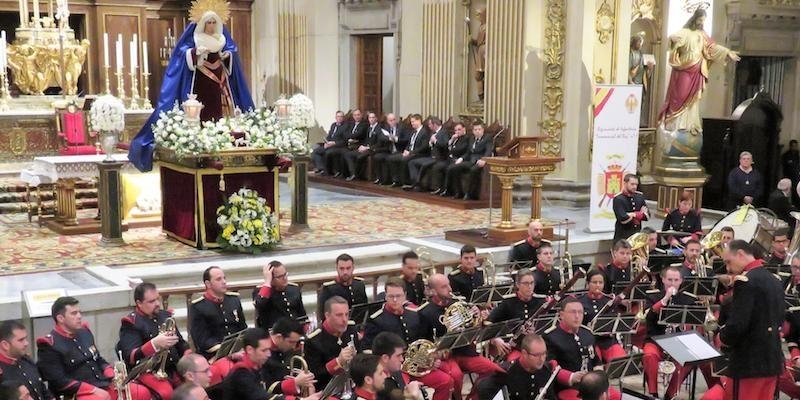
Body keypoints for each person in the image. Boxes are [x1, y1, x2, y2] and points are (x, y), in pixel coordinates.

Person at [127, 5, 253, 172]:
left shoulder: (222, 38)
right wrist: (196, 53)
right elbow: (182, 54)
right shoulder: (195, 37)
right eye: (208, 22)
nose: (212, 26)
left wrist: (227, 55)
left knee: (222, 110)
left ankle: (223, 138)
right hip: (200, 83)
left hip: (219, 83)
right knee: (201, 110)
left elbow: (232, 52)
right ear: (202, 23)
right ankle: (200, 140)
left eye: (214, 22)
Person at [37, 297, 150, 400]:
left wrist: (112, 374)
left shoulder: (84, 332)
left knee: (140, 392)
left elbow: (97, 359)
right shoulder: (49, 345)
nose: (79, 316)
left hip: (101, 383)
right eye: (74, 313)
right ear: (60, 318)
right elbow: (59, 382)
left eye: (79, 312)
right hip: (76, 393)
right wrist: (92, 390)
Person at [417, 274, 503, 399]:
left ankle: (473, 398)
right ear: (434, 291)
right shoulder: (425, 312)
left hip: (464, 351)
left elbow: (474, 328)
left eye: (449, 284)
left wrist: (476, 316)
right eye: (444, 287)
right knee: (456, 376)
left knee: (495, 371)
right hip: (445, 357)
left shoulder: (459, 303)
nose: (450, 289)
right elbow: (423, 342)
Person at [717, 240, 784, 399]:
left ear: (740, 254)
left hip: (748, 361)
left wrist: (722, 337)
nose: (728, 268)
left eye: (729, 262)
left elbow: (738, 324)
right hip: (772, 359)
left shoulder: (745, 281)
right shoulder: (775, 279)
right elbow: (780, 318)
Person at [658, 7, 739, 136]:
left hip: (697, 69)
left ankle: (689, 124)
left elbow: (712, 48)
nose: (702, 23)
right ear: (695, 19)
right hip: (684, 68)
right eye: (700, 20)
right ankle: (676, 122)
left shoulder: (703, 35)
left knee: (694, 98)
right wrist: (674, 42)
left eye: (703, 20)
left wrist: (727, 52)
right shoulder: (685, 32)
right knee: (680, 94)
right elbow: (671, 39)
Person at [118, 282, 192, 399]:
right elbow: (131, 357)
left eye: (157, 299)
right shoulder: (131, 323)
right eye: (152, 301)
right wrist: (154, 344)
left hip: (173, 367)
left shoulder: (165, 316)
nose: (157, 304)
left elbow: (181, 343)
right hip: (148, 371)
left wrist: (188, 355)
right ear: (139, 303)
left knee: (198, 378)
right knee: (167, 393)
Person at [543, 298, 621, 400]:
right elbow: (550, 367)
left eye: (580, 312)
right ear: (561, 315)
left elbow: (595, 361)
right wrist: (572, 377)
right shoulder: (551, 337)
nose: (577, 316)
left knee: (615, 395)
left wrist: (599, 377)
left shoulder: (587, 333)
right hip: (568, 386)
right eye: (573, 312)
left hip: (592, 384)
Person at [641, 267, 697, 398]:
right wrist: (665, 299)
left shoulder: (688, 299)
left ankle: (670, 395)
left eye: (676, 280)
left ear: (681, 281)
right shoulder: (653, 296)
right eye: (669, 280)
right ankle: (653, 394)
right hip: (655, 339)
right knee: (649, 355)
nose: (672, 283)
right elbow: (648, 316)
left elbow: (693, 323)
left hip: (678, 341)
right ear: (663, 280)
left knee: (689, 359)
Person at [226, 328, 321, 400]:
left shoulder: (257, 366)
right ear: (250, 350)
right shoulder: (240, 373)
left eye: (269, 349)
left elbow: (269, 388)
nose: (269, 354)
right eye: (264, 350)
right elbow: (262, 397)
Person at [476, 334, 557, 400]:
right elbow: (483, 389)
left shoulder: (546, 370)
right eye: (536, 355)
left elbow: (550, 396)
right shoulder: (507, 372)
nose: (542, 359)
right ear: (524, 353)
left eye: (544, 354)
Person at [189, 266, 247, 358]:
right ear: (208, 284)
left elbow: (243, 328)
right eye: (218, 279)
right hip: (214, 355)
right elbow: (202, 340)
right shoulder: (198, 306)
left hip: (239, 350)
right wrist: (227, 352)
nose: (224, 282)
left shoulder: (234, 300)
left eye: (224, 278)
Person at [305, 297, 362, 390]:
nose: (344, 320)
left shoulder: (351, 329)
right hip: (328, 390)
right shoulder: (313, 341)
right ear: (327, 315)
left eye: (347, 314)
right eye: (339, 315)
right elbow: (314, 377)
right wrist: (338, 362)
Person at [577, 270, 626, 363]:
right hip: (588, 341)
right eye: (594, 282)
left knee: (620, 361)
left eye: (601, 282)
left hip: (607, 340)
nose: (598, 285)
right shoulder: (579, 302)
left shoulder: (609, 301)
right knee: (595, 363)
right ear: (588, 283)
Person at [259, 318, 315, 397]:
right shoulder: (261, 354)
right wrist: (295, 382)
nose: (294, 347)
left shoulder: (284, 348)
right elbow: (265, 389)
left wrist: (305, 380)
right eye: (291, 342)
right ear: (279, 337)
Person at [370, 332, 435, 400]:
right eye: (398, 356)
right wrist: (412, 397)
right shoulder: (377, 384)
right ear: (385, 358)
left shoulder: (396, 372)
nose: (402, 359)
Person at [363, 278, 423, 349]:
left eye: (398, 296)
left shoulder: (415, 315)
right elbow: (368, 348)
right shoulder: (376, 320)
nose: (395, 300)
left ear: (405, 295)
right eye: (391, 296)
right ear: (385, 296)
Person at [0, 321, 52, 400]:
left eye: (25, 338)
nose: (26, 343)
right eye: (21, 340)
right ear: (5, 345)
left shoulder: (26, 360)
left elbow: (42, 389)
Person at [442, 122, 493, 200]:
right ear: (473, 131)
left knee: (473, 170)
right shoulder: (472, 138)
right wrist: (461, 159)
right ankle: (459, 192)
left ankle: (469, 194)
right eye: (475, 130)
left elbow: (488, 151)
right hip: (471, 161)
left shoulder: (487, 138)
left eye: (479, 129)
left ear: (483, 130)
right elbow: (468, 152)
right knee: (454, 167)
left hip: (480, 162)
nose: (477, 131)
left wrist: (484, 160)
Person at [254, 261, 307, 330]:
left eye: (285, 274)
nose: (284, 278)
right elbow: (259, 304)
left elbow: (302, 315)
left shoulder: (294, 289)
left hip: (295, 331)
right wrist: (267, 282)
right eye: (280, 277)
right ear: (271, 278)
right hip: (275, 333)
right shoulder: (262, 292)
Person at [317, 254, 368, 319]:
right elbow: (323, 316)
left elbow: (365, 309)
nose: (345, 272)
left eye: (348, 268)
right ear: (337, 269)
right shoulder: (328, 289)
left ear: (353, 268)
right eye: (342, 268)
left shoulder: (359, 285)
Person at [405, 116, 449, 191]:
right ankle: (415, 183)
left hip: (439, 158)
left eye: (430, 124)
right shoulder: (432, 133)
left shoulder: (444, 132)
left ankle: (419, 185)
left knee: (424, 165)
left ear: (434, 124)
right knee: (412, 162)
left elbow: (445, 145)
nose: (428, 126)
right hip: (430, 156)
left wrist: (435, 141)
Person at [343, 111, 389, 181]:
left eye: (373, 117)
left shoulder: (379, 129)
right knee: (348, 154)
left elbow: (379, 144)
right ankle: (353, 173)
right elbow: (366, 140)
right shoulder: (369, 128)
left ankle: (357, 175)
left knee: (360, 157)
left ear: (376, 118)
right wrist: (362, 146)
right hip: (366, 147)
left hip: (374, 149)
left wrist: (367, 147)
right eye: (370, 118)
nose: (371, 119)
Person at [387, 114, 431, 187]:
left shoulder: (425, 132)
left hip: (419, 154)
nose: (412, 123)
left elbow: (424, 147)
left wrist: (410, 152)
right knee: (391, 158)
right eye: (411, 122)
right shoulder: (413, 131)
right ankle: (396, 180)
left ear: (419, 121)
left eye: (413, 121)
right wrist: (406, 150)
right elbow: (409, 143)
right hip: (410, 152)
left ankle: (406, 182)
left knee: (404, 159)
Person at [429, 122, 469, 195]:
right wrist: (451, 140)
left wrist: (452, 150)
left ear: (464, 129)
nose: (457, 132)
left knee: (449, 168)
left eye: (459, 130)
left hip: (458, 159)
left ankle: (448, 190)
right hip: (449, 159)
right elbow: (447, 147)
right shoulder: (455, 138)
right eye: (455, 130)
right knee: (438, 166)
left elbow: (461, 149)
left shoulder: (466, 138)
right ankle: (440, 188)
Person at [326, 109, 367, 178]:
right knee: (338, 152)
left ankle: (352, 174)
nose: (356, 117)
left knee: (345, 153)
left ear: (361, 115)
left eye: (358, 115)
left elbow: (358, 134)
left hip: (357, 145)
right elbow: (345, 133)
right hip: (348, 145)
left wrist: (351, 137)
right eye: (355, 115)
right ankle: (341, 173)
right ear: (353, 116)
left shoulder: (364, 125)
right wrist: (350, 137)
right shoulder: (351, 124)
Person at [612, 174, 649, 242]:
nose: (635, 187)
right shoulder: (619, 199)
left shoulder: (640, 196)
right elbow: (623, 218)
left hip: (636, 235)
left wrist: (632, 214)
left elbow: (647, 216)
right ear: (625, 183)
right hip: (623, 236)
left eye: (636, 184)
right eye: (632, 184)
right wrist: (638, 214)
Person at [372, 113, 402, 185]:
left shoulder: (401, 128)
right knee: (377, 157)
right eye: (390, 120)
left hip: (398, 150)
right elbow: (381, 137)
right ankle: (379, 178)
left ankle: (392, 180)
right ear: (387, 121)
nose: (393, 122)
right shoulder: (385, 127)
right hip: (388, 150)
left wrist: (396, 139)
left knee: (389, 158)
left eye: (394, 120)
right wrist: (389, 138)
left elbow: (405, 139)